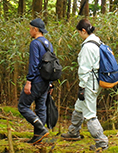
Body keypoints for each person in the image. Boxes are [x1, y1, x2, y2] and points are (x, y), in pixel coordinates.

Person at [61, 19, 109, 151]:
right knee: (79, 106)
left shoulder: (88, 46)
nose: (79, 35)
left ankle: (102, 142)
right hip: (95, 81)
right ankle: (73, 132)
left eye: (79, 33)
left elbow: (84, 69)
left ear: (83, 31)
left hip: (89, 83)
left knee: (90, 114)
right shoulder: (98, 42)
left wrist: (82, 87)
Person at [17, 18, 53, 144]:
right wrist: (50, 83)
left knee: (23, 106)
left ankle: (40, 129)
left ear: (35, 29)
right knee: (40, 107)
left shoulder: (35, 43)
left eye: (30, 28)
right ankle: (38, 135)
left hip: (36, 80)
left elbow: (34, 63)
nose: (29, 31)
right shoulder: (48, 44)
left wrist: (29, 81)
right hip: (45, 81)